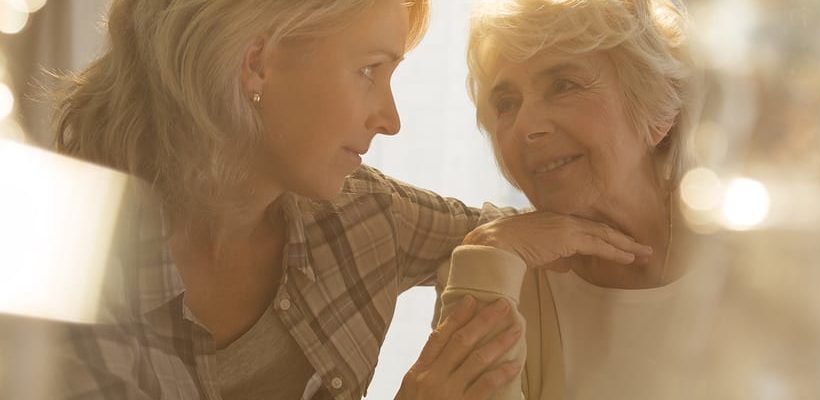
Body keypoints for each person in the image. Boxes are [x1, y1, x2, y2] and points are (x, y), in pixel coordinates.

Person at [49, 0, 650, 399]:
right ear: (256, 64)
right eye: (370, 69)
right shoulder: (57, 276)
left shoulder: (364, 218)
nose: (390, 120)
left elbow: (533, 229)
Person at [436, 0, 711, 398]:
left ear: (657, 108)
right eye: (506, 103)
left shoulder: (756, 261)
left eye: (563, 85)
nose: (526, 126)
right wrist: (490, 254)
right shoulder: (494, 273)